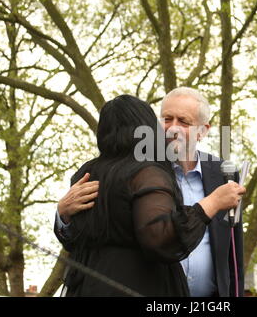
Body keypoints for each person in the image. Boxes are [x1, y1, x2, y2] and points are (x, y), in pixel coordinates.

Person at [54, 94, 245, 297]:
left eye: (184, 121)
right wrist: (62, 215)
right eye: (167, 119)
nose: (173, 128)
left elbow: (234, 256)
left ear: (202, 131)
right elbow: (81, 240)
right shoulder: (140, 173)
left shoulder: (224, 174)